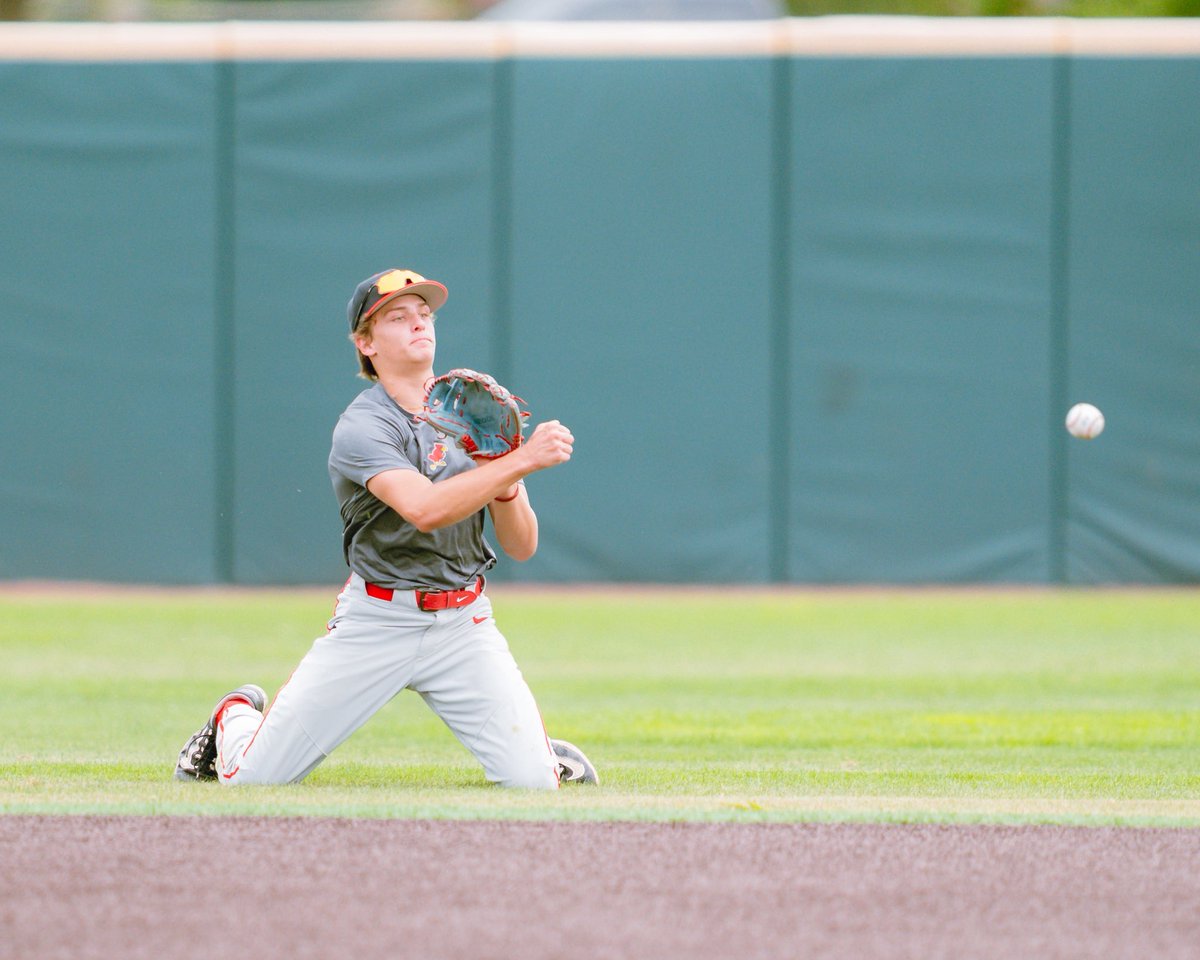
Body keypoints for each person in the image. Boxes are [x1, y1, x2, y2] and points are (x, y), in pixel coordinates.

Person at [174, 268, 597, 789]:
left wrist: (506, 474)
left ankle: (531, 750)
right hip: (377, 620)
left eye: (425, 314)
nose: (419, 323)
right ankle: (235, 716)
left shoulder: (470, 412)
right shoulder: (363, 426)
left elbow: (521, 545)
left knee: (533, 786)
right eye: (398, 317)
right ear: (366, 342)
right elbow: (424, 509)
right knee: (251, 782)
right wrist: (519, 462)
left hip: (463, 624)